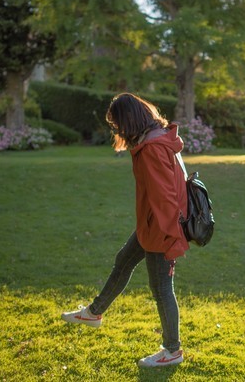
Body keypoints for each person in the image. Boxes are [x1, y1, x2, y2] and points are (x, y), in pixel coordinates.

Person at [61, 93, 189, 368]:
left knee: (161, 288)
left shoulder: (153, 146)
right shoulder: (154, 138)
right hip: (152, 224)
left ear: (128, 120)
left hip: (161, 229)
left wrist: (171, 238)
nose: (116, 130)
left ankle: (172, 350)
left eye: (116, 123)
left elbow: (166, 197)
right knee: (124, 260)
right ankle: (94, 313)